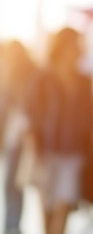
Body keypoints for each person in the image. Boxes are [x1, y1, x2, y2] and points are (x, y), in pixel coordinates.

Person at [29, 27, 93, 234]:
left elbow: (91, 117)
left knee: (64, 204)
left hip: (73, 151)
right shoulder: (43, 78)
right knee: (48, 207)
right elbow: (32, 114)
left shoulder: (84, 80)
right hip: (46, 150)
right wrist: (33, 148)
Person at [0, 40, 39, 234]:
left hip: (21, 135)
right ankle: (12, 223)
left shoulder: (27, 76)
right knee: (13, 181)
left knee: (14, 181)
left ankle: (12, 224)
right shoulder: (9, 74)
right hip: (11, 134)